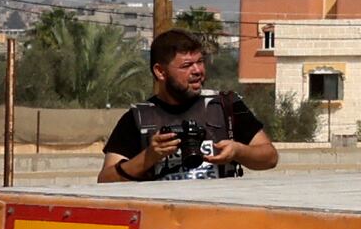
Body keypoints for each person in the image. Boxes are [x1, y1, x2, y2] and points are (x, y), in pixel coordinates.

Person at [99, 28, 279, 183]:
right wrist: (149, 157)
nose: (197, 71)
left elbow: (270, 157)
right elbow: (106, 179)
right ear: (160, 72)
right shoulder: (137, 118)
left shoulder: (226, 106)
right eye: (187, 65)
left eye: (200, 62)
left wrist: (239, 151)